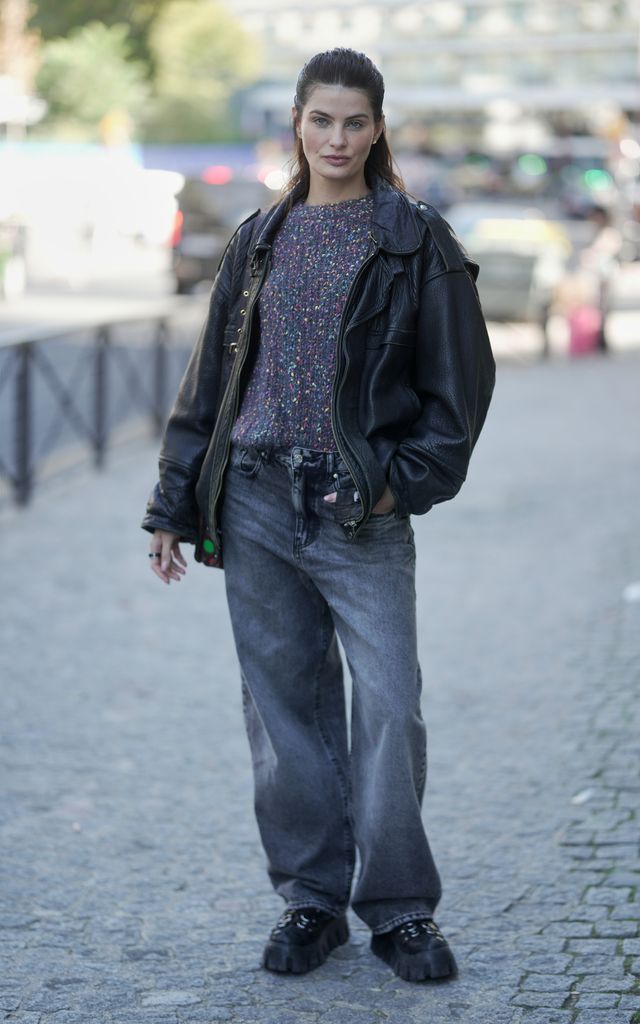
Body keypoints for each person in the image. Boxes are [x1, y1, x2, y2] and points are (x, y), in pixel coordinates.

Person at [142, 48, 495, 983]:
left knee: (388, 708)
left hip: (359, 514)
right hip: (254, 500)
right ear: (296, 124)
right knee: (283, 712)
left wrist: (391, 487)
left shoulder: (417, 240)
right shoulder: (258, 236)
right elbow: (213, 382)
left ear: (379, 129)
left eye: (354, 121)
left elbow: (457, 397)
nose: (336, 138)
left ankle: (400, 910)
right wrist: (173, 501)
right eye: (320, 119)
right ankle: (311, 901)